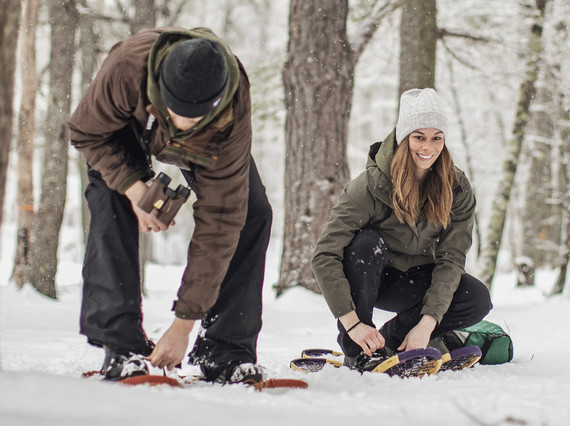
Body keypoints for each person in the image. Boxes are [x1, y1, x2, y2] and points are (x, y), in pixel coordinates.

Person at [68, 27, 272, 384]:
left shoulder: (233, 103)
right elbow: (86, 133)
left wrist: (183, 324)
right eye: (176, 113)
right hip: (125, 132)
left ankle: (226, 350)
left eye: (193, 117)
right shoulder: (125, 69)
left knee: (251, 212)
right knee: (109, 199)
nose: (181, 124)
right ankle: (122, 347)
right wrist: (134, 188)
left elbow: (221, 217)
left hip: (208, 146)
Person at [311, 88, 492, 372]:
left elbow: (451, 259)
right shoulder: (370, 186)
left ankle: (391, 342)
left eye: (437, 138)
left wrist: (427, 323)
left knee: (476, 297)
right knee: (364, 243)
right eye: (418, 137)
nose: (428, 147)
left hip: (418, 280)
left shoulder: (456, 187)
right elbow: (324, 255)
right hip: (374, 278)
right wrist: (353, 324)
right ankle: (358, 349)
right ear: (403, 138)